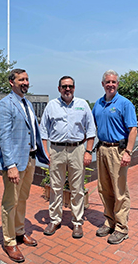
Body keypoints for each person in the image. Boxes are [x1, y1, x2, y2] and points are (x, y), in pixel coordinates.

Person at [0, 68, 49, 263]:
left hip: (30, 158)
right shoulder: (4, 105)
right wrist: (10, 165)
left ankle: (19, 232)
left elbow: (33, 130)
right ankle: (9, 242)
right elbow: (5, 137)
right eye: (21, 80)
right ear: (12, 82)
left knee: (23, 199)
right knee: (11, 202)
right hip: (15, 162)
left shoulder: (27, 103)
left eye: (27, 79)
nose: (25, 82)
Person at [40, 76, 96, 238]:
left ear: (74, 88)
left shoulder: (82, 105)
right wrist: (45, 153)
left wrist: (88, 151)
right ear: (59, 89)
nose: (67, 89)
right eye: (64, 86)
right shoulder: (52, 106)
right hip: (56, 150)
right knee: (55, 186)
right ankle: (55, 219)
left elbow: (91, 130)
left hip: (77, 150)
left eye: (70, 86)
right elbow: (43, 131)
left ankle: (77, 222)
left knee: (77, 188)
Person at [92, 69, 137, 245]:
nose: (111, 85)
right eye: (107, 82)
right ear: (102, 84)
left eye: (114, 82)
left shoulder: (125, 104)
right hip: (102, 148)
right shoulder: (98, 104)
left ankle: (121, 228)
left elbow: (133, 129)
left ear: (117, 84)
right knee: (104, 189)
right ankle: (109, 221)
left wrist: (128, 152)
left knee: (120, 191)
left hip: (118, 151)